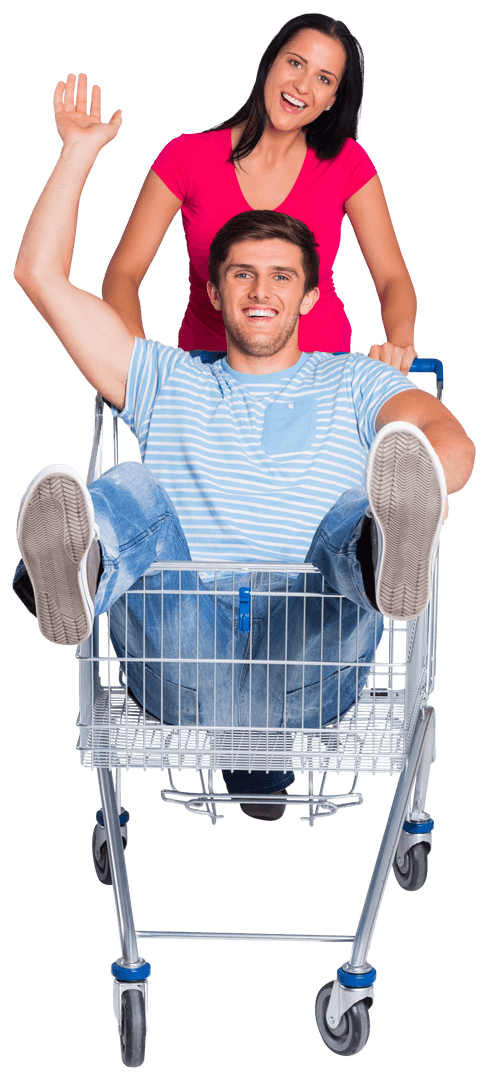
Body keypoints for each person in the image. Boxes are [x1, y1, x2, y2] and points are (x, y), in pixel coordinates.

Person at [12, 75, 475, 823]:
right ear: (214, 293)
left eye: (282, 277)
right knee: (132, 488)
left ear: (312, 297)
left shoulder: (354, 381)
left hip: (310, 652)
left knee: (359, 506)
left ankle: (383, 552)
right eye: (242, 275)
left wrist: (426, 484)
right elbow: (38, 276)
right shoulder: (161, 374)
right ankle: (82, 565)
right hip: (184, 656)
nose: (262, 291)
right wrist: (78, 152)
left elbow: (447, 438)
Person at [101, 13, 418, 372]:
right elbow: (123, 272)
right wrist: (138, 362)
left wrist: (401, 343)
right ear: (269, 63)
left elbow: (393, 277)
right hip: (208, 378)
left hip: (320, 374)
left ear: (332, 98)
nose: (302, 85)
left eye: (323, 79)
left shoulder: (347, 163)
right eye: (295, 63)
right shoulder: (186, 157)